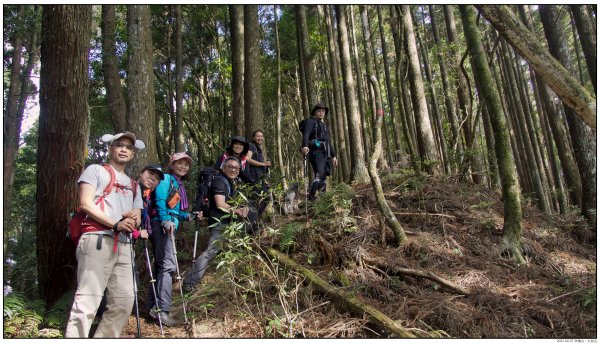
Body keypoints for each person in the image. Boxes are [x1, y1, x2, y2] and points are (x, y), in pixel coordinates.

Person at [65, 132, 145, 338]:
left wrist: (132, 219)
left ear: (133, 154)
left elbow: (137, 214)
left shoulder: (134, 184)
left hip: (124, 245)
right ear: (110, 148)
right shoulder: (96, 171)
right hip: (97, 239)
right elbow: (85, 203)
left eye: (129, 147)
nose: (124, 149)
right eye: (119, 145)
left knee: (124, 301)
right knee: (88, 300)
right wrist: (116, 223)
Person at [182, 156, 252, 294]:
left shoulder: (231, 182)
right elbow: (220, 204)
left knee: (225, 249)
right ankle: (189, 282)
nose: (233, 169)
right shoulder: (219, 181)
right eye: (230, 167)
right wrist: (238, 211)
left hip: (228, 221)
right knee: (211, 252)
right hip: (220, 222)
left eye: (236, 168)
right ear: (223, 167)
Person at [146, 153, 201, 327]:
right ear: (172, 164)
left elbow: (175, 209)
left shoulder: (178, 184)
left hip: (168, 225)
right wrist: (164, 220)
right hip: (161, 226)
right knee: (168, 266)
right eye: (179, 163)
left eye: (186, 164)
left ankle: (152, 307)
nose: (183, 166)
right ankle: (162, 310)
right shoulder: (166, 179)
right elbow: (161, 201)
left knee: (161, 265)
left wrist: (189, 216)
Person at [301, 103, 338, 200]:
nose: (321, 113)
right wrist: (304, 146)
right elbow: (306, 134)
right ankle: (311, 195)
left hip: (326, 153)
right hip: (316, 152)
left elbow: (328, 141)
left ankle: (323, 200)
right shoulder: (311, 122)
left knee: (324, 177)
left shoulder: (324, 125)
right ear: (315, 113)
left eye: (323, 111)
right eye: (319, 111)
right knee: (319, 174)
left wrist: (334, 156)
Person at [246, 130, 272, 217]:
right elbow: (248, 159)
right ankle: (253, 220)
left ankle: (255, 219)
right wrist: (264, 164)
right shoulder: (251, 146)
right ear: (253, 138)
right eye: (257, 136)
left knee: (263, 199)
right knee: (261, 199)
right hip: (253, 179)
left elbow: (259, 167)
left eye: (261, 136)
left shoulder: (258, 148)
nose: (260, 138)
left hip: (259, 178)